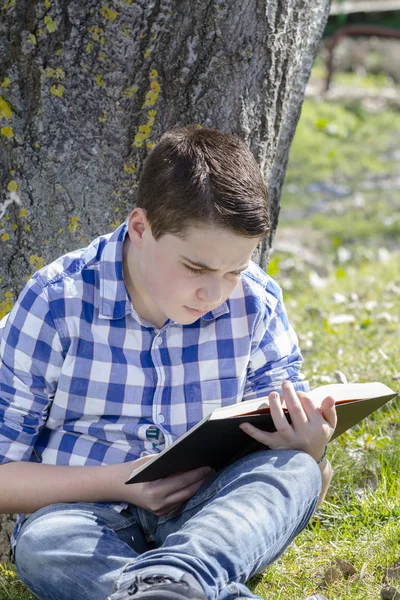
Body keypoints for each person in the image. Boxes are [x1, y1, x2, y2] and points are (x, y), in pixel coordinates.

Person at [0, 127, 335, 600]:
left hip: (211, 514)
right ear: (140, 228)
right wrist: (124, 482)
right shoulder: (57, 303)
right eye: (196, 269)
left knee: (295, 471)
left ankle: (180, 577)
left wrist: (310, 450)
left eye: (234, 271)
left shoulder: (255, 303)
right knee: (44, 545)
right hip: (86, 515)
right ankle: (187, 586)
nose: (214, 293)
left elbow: (299, 482)